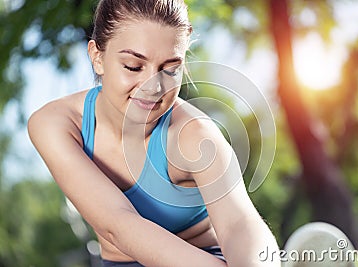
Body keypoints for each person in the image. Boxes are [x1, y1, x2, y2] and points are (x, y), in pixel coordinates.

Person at [28, 0, 280, 266]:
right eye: (134, 66)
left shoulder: (196, 136)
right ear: (97, 57)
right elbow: (119, 225)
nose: (153, 87)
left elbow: (240, 223)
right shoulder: (56, 124)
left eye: (170, 69)